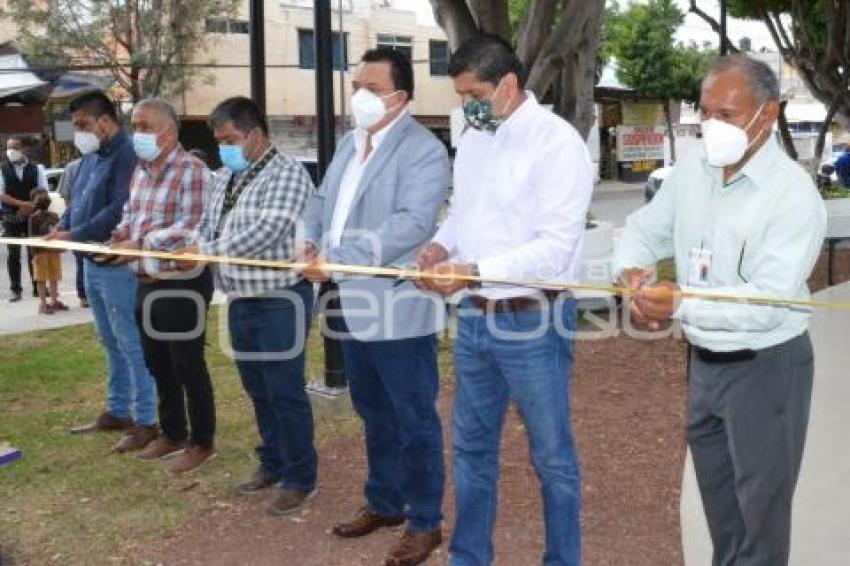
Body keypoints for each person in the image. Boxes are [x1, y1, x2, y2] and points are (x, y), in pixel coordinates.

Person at [613, 55, 826, 566]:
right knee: (722, 510)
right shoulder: (693, 168)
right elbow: (645, 229)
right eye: (706, 112)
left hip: (767, 367)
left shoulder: (793, 196)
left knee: (761, 518)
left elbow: (767, 301)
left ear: (767, 114)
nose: (713, 126)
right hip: (705, 363)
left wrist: (680, 302)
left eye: (727, 114)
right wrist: (631, 277)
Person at [418, 35, 592, 566]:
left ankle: (562, 560)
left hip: (533, 322)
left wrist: (471, 271)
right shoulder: (475, 138)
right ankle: (469, 557)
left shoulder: (558, 144)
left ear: (508, 85)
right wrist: (441, 243)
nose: (465, 105)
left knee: (553, 458)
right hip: (475, 320)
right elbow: (463, 212)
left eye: (473, 93)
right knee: (470, 449)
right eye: (461, 94)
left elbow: (555, 249)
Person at [302, 47, 450, 566]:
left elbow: (409, 224)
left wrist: (336, 258)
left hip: (397, 307)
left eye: (371, 87)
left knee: (413, 417)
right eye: (356, 85)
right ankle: (385, 501)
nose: (359, 95)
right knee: (372, 410)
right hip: (348, 300)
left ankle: (425, 522)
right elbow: (321, 202)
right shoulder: (349, 143)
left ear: (400, 96)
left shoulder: (424, 151)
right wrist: (307, 240)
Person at [181, 96, 317, 514]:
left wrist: (205, 251)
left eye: (230, 139)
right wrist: (197, 244)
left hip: (280, 298)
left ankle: (299, 475)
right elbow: (207, 224)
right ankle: (272, 461)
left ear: (255, 134)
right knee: (257, 387)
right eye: (218, 140)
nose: (223, 147)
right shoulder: (225, 177)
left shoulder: (288, 174)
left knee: (284, 389)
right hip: (241, 298)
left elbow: (265, 231)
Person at [110, 98, 216, 474]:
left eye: (143, 126)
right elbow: (130, 214)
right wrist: (118, 237)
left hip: (182, 280)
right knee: (158, 362)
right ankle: (172, 433)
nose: (136, 133)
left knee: (188, 363)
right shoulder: (141, 170)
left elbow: (194, 229)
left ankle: (202, 442)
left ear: (168, 132)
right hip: (146, 280)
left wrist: (141, 244)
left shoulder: (193, 171)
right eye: (133, 125)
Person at [51, 91, 158, 449]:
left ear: (105, 121)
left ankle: (147, 420)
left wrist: (72, 234)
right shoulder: (90, 159)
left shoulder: (128, 155)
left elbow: (118, 209)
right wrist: (61, 227)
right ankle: (118, 410)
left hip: (117, 265)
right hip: (91, 263)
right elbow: (76, 203)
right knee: (109, 340)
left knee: (131, 342)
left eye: (82, 124)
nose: (77, 132)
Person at [1, 135, 47, 302]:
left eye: (15, 147)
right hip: (10, 216)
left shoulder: (37, 168)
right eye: (9, 147)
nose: (11, 151)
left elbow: (42, 191)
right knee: (13, 254)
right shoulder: (2, 169)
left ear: (24, 149)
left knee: (34, 252)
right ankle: (15, 289)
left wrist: (32, 207)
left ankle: (38, 287)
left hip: (32, 216)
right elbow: (1, 194)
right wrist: (22, 204)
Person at [28, 188, 66, 315]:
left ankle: (54, 301)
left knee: (54, 277)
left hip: (53, 251)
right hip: (41, 252)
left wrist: (61, 247)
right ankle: (43, 304)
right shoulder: (33, 218)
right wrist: (34, 254)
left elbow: (59, 231)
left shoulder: (54, 216)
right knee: (42, 279)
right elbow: (32, 237)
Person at [57, 157, 88, 307]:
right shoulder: (73, 167)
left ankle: (87, 294)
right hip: (77, 222)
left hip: (91, 224)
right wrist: (68, 220)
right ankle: (83, 295)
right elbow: (66, 196)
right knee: (81, 261)